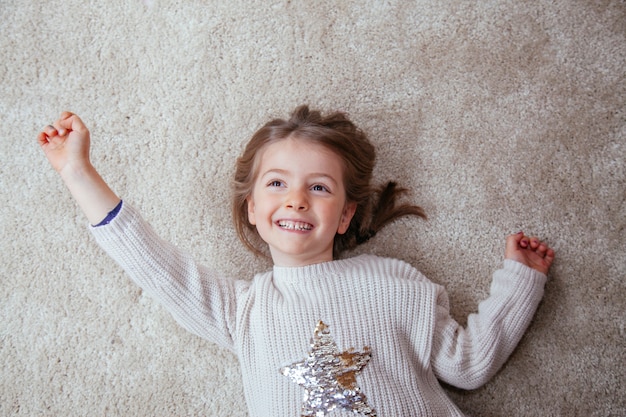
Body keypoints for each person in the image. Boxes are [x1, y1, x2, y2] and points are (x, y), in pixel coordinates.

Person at [38, 107, 555, 416]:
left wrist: (520, 281)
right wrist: (77, 171)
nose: (297, 199)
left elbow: (467, 364)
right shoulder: (245, 308)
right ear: (253, 209)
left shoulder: (396, 282)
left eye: (320, 187)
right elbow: (153, 263)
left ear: (346, 214)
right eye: (278, 183)